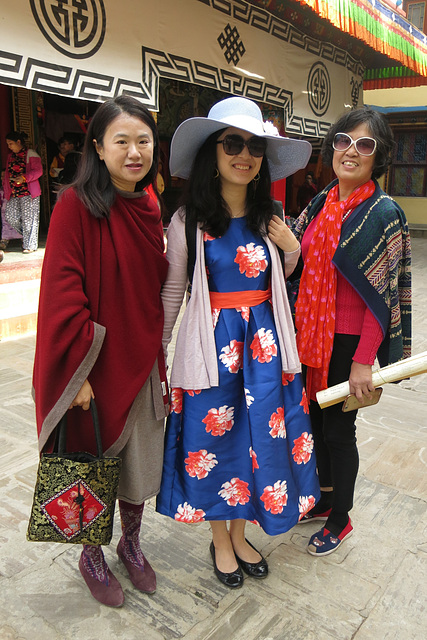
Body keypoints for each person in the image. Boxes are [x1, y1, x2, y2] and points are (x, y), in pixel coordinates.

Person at [156, 96, 320, 588]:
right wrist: (161, 356)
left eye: (254, 146)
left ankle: (242, 532)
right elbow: (172, 289)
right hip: (212, 349)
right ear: (214, 151)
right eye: (233, 143)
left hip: (265, 351)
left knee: (260, 442)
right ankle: (221, 540)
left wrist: (292, 250)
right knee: (215, 440)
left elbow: (281, 280)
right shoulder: (189, 221)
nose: (244, 155)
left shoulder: (272, 216)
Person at [32, 96, 169, 607]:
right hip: (96, 362)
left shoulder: (150, 206)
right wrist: (77, 371)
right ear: (98, 147)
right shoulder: (75, 204)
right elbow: (62, 290)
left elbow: (151, 284)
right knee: (89, 456)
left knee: (138, 460)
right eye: (122, 141)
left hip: (144, 354)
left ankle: (130, 544)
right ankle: (91, 554)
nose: (135, 152)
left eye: (144, 141)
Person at [291, 107, 411, 556]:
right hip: (312, 336)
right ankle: (324, 498)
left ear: (377, 157)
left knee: (340, 432)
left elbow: (382, 297)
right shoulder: (322, 202)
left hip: (347, 343)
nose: (351, 151)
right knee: (316, 423)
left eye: (364, 145)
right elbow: (296, 257)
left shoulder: (384, 212)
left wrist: (364, 361)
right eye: (344, 140)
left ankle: (341, 519)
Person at [2, 131, 42, 253]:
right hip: (14, 192)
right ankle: (28, 237)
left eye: (11, 143)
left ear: (19, 142)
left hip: (28, 192)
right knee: (10, 216)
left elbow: (38, 171)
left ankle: (30, 245)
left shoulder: (31, 153)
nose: (9, 146)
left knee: (29, 218)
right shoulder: (11, 156)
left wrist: (24, 178)